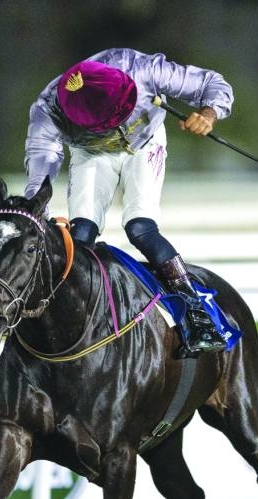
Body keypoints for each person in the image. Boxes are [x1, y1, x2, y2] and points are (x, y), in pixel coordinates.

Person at [24, 47, 234, 357]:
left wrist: (208, 113)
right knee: (81, 234)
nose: (117, 131)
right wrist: (33, 210)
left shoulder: (144, 69)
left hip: (147, 143)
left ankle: (196, 311)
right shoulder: (48, 109)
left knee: (140, 227)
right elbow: (42, 161)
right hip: (92, 153)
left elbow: (213, 85)